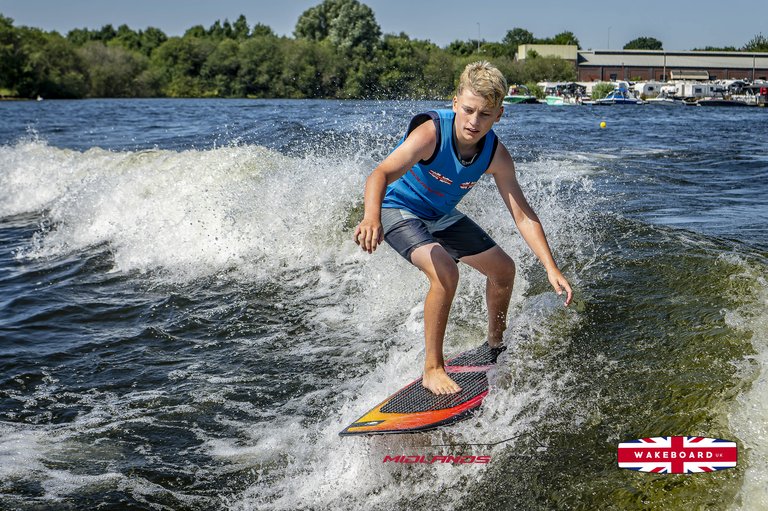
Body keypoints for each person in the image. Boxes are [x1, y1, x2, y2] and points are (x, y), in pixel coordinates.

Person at [354, 61, 573, 395]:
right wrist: (371, 218)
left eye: (485, 114)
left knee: (503, 270)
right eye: (468, 110)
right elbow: (379, 174)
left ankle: (495, 345)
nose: (474, 121)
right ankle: (432, 369)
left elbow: (523, 215)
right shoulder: (431, 134)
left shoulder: (496, 155)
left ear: (499, 115)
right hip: (396, 208)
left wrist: (551, 267)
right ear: (455, 103)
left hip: (439, 215)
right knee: (445, 271)